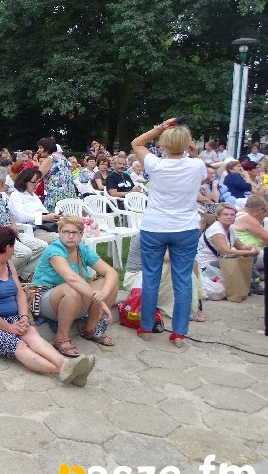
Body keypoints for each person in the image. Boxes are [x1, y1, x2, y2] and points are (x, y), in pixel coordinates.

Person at [0, 226, 94, 385]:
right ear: (7, 247)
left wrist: (23, 317)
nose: (14, 250)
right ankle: (65, 371)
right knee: (19, 345)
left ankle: (66, 364)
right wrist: (9, 328)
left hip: (10, 318)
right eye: (13, 246)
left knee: (31, 334)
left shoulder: (7, 263)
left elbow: (20, 293)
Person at [132, 117, 207, 346]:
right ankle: (179, 333)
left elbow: (136, 143)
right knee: (183, 280)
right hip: (185, 227)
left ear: (163, 144)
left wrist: (160, 127)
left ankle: (146, 327)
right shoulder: (197, 165)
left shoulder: (155, 164)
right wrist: (193, 153)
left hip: (155, 226)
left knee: (151, 277)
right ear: (188, 144)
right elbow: (199, 169)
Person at [31, 215, 119, 357]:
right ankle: (61, 338)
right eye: (66, 231)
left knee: (109, 284)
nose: (70, 236)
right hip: (46, 300)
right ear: (59, 232)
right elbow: (71, 278)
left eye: (75, 232)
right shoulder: (54, 250)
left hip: (75, 296)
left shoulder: (82, 250)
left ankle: (90, 329)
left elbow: (111, 273)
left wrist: (103, 294)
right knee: (72, 288)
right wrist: (100, 301)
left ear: (81, 234)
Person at [0, 167, 48, 279]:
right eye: (7, 180)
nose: (9, 184)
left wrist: (13, 226)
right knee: (24, 253)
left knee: (42, 246)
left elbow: (9, 213)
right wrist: (6, 230)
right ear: (3, 182)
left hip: (11, 231)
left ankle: (21, 276)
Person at [196, 203, 259, 284]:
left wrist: (252, 248)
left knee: (250, 256)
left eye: (232, 215)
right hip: (207, 265)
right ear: (218, 217)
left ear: (235, 217)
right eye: (225, 214)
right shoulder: (216, 229)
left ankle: (250, 282)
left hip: (221, 260)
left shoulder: (230, 229)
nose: (229, 217)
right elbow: (226, 251)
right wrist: (248, 252)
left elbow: (240, 246)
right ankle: (249, 283)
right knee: (243, 258)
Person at [8, 167, 59, 243]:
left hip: (41, 226)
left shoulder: (33, 195)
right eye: (34, 182)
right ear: (24, 181)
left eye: (38, 182)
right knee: (62, 238)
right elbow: (22, 217)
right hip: (27, 230)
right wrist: (43, 217)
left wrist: (52, 216)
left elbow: (44, 211)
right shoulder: (16, 195)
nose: (36, 185)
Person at [36, 137, 77, 212]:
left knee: (53, 218)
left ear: (47, 147)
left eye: (40, 147)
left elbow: (37, 177)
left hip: (56, 197)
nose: (38, 150)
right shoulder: (63, 158)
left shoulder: (49, 159)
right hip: (69, 195)